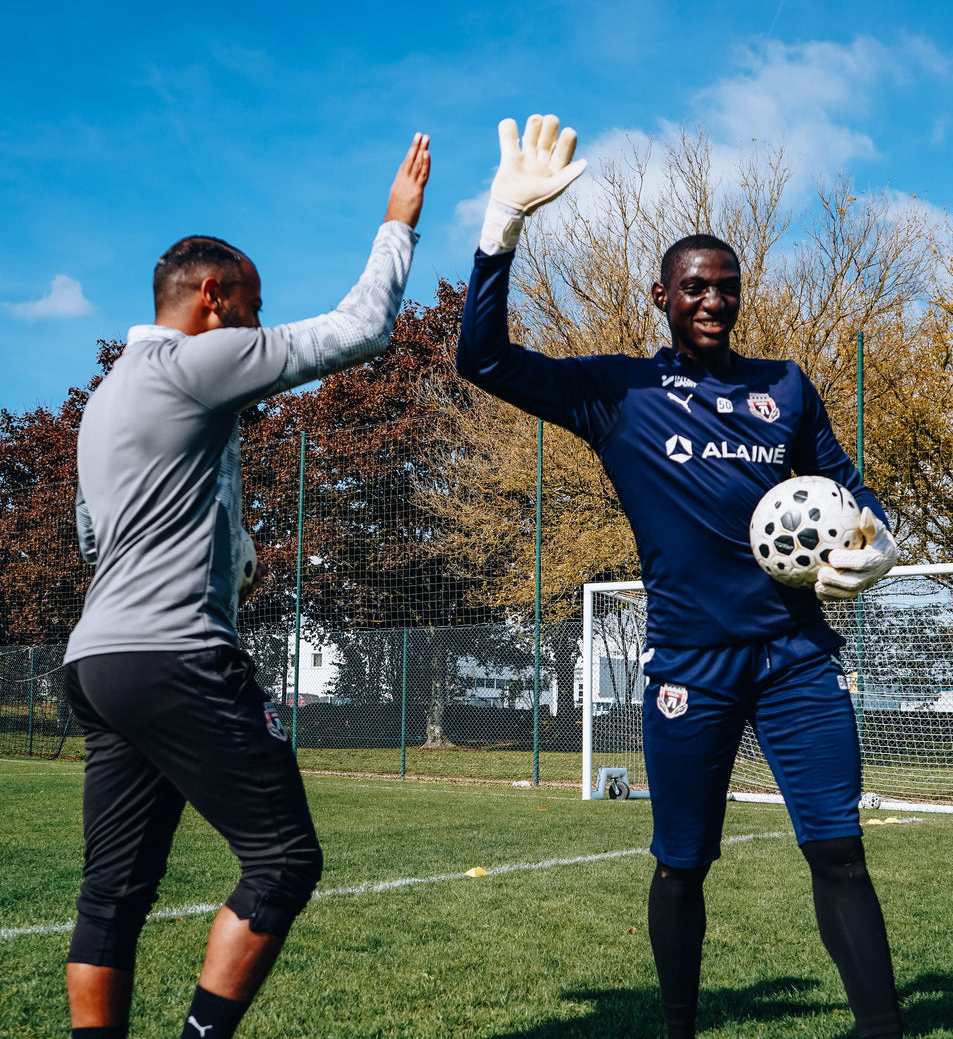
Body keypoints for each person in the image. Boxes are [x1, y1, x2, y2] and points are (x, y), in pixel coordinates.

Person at [456, 115, 901, 1039]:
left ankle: (881, 1028)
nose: (712, 301)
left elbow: (852, 491)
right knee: (682, 863)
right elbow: (484, 359)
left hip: (796, 657)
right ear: (659, 295)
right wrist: (502, 227)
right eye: (694, 287)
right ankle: (678, 1028)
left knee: (840, 851)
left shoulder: (785, 386)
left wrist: (876, 545)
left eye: (725, 288)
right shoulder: (616, 393)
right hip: (690, 666)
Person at [64, 133, 430, 1039]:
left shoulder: (105, 400)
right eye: (251, 310)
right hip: (176, 657)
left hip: (97, 665)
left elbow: (92, 536)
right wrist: (397, 226)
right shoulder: (190, 363)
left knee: (113, 893)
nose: (255, 331)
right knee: (281, 861)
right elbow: (358, 331)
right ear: (210, 298)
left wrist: (231, 546)